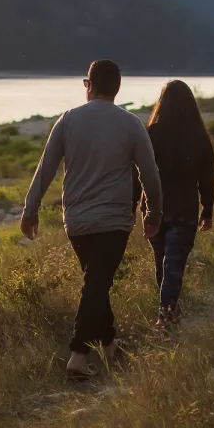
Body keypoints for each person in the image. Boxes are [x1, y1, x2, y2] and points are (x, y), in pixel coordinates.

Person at [20, 60, 162, 381]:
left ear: (89, 85)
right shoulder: (130, 124)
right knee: (96, 283)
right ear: (117, 88)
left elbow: (45, 170)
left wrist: (30, 211)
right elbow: (149, 173)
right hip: (114, 220)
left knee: (96, 281)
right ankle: (77, 357)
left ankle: (110, 345)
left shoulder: (68, 121)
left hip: (78, 222)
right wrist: (153, 211)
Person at [142, 80, 214, 329]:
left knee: (161, 261)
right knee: (173, 265)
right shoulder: (199, 137)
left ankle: (168, 313)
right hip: (185, 210)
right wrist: (207, 210)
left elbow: (138, 174)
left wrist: (133, 206)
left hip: (154, 210)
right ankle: (168, 315)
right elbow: (206, 179)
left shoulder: (150, 135)